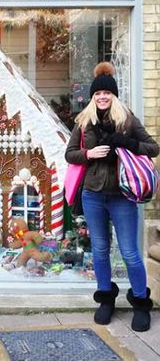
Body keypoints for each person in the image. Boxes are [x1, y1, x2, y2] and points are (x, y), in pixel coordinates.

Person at [65, 62, 159, 332]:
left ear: (114, 95)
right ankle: (106, 299)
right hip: (93, 195)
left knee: (130, 252)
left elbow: (153, 147)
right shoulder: (84, 122)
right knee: (101, 250)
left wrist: (128, 143)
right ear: (93, 96)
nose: (103, 97)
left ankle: (141, 302)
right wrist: (88, 154)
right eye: (98, 94)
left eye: (107, 93)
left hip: (122, 196)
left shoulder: (126, 119)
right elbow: (69, 153)